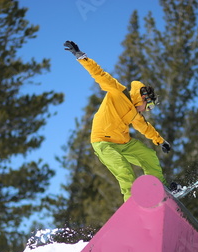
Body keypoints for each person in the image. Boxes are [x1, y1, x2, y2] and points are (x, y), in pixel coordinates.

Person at [64, 40, 180, 201]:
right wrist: (81, 56)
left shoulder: (135, 114)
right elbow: (99, 74)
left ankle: (160, 189)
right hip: (103, 142)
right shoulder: (118, 91)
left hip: (123, 143)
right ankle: (132, 205)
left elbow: (145, 128)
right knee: (124, 171)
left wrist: (160, 141)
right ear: (143, 99)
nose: (147, 111)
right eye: (149, 107)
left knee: (148, 155)